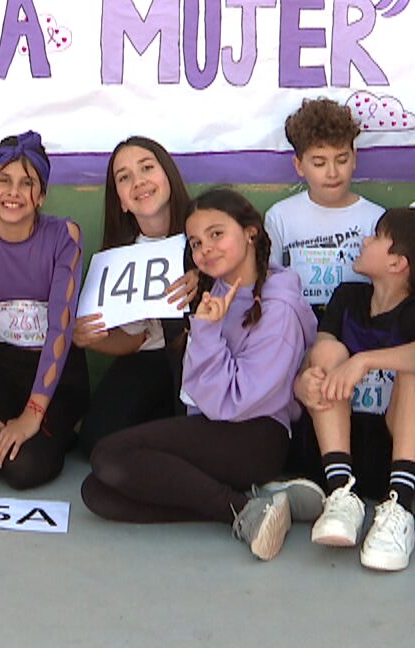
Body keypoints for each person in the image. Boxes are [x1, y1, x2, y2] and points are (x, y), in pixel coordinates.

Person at [81, 188, 316, 561]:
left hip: (253, 435)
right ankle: (248, 501)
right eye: (195, 242)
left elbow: (236, 402)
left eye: (216, 234)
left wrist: (205, 331)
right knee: (98, 493)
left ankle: (242, 512)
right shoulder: (217, 290)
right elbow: (197, 388)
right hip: (212, 424)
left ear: (251, 232)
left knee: (110, 455)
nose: (205, 248)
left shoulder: (279, 308)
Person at [293, 208, 415, 571]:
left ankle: (400, 508)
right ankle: (340, 497)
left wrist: (364, 361)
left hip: (394, 455)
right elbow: (318, 354)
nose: (365, 241)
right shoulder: (348, 296)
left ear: (397, 263)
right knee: (329, 351)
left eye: (377, 237)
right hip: (337, 450)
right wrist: (303, 382)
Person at [0, 132, 87, 490]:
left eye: (27, 184)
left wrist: (32, 415)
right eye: (4, 181)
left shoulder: (64, 235)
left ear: (40, 196)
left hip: (56, 373)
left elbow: (61, 328)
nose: (13, 192)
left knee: (23, 469)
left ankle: (62, 427)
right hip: (1, 364)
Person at [76, 137, 193, 455]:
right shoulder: (119, 257)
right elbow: (134, 340)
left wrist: (202, 277)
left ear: (168, 175)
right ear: (122, 201)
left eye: (147, 168)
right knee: (96, 442)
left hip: (205, 360)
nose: (138, 181)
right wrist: (90, 338)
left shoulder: (203, 231)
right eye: (124, 177)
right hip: (151, 360)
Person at [265, 97, 386, 312]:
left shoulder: (376, 218)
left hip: (356, 329)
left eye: (341, 160)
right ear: (299, 165)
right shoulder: (280, 216)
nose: (332, 173)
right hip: (297, 325)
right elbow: (269, 285)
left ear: (354, 158)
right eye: (319, 163)